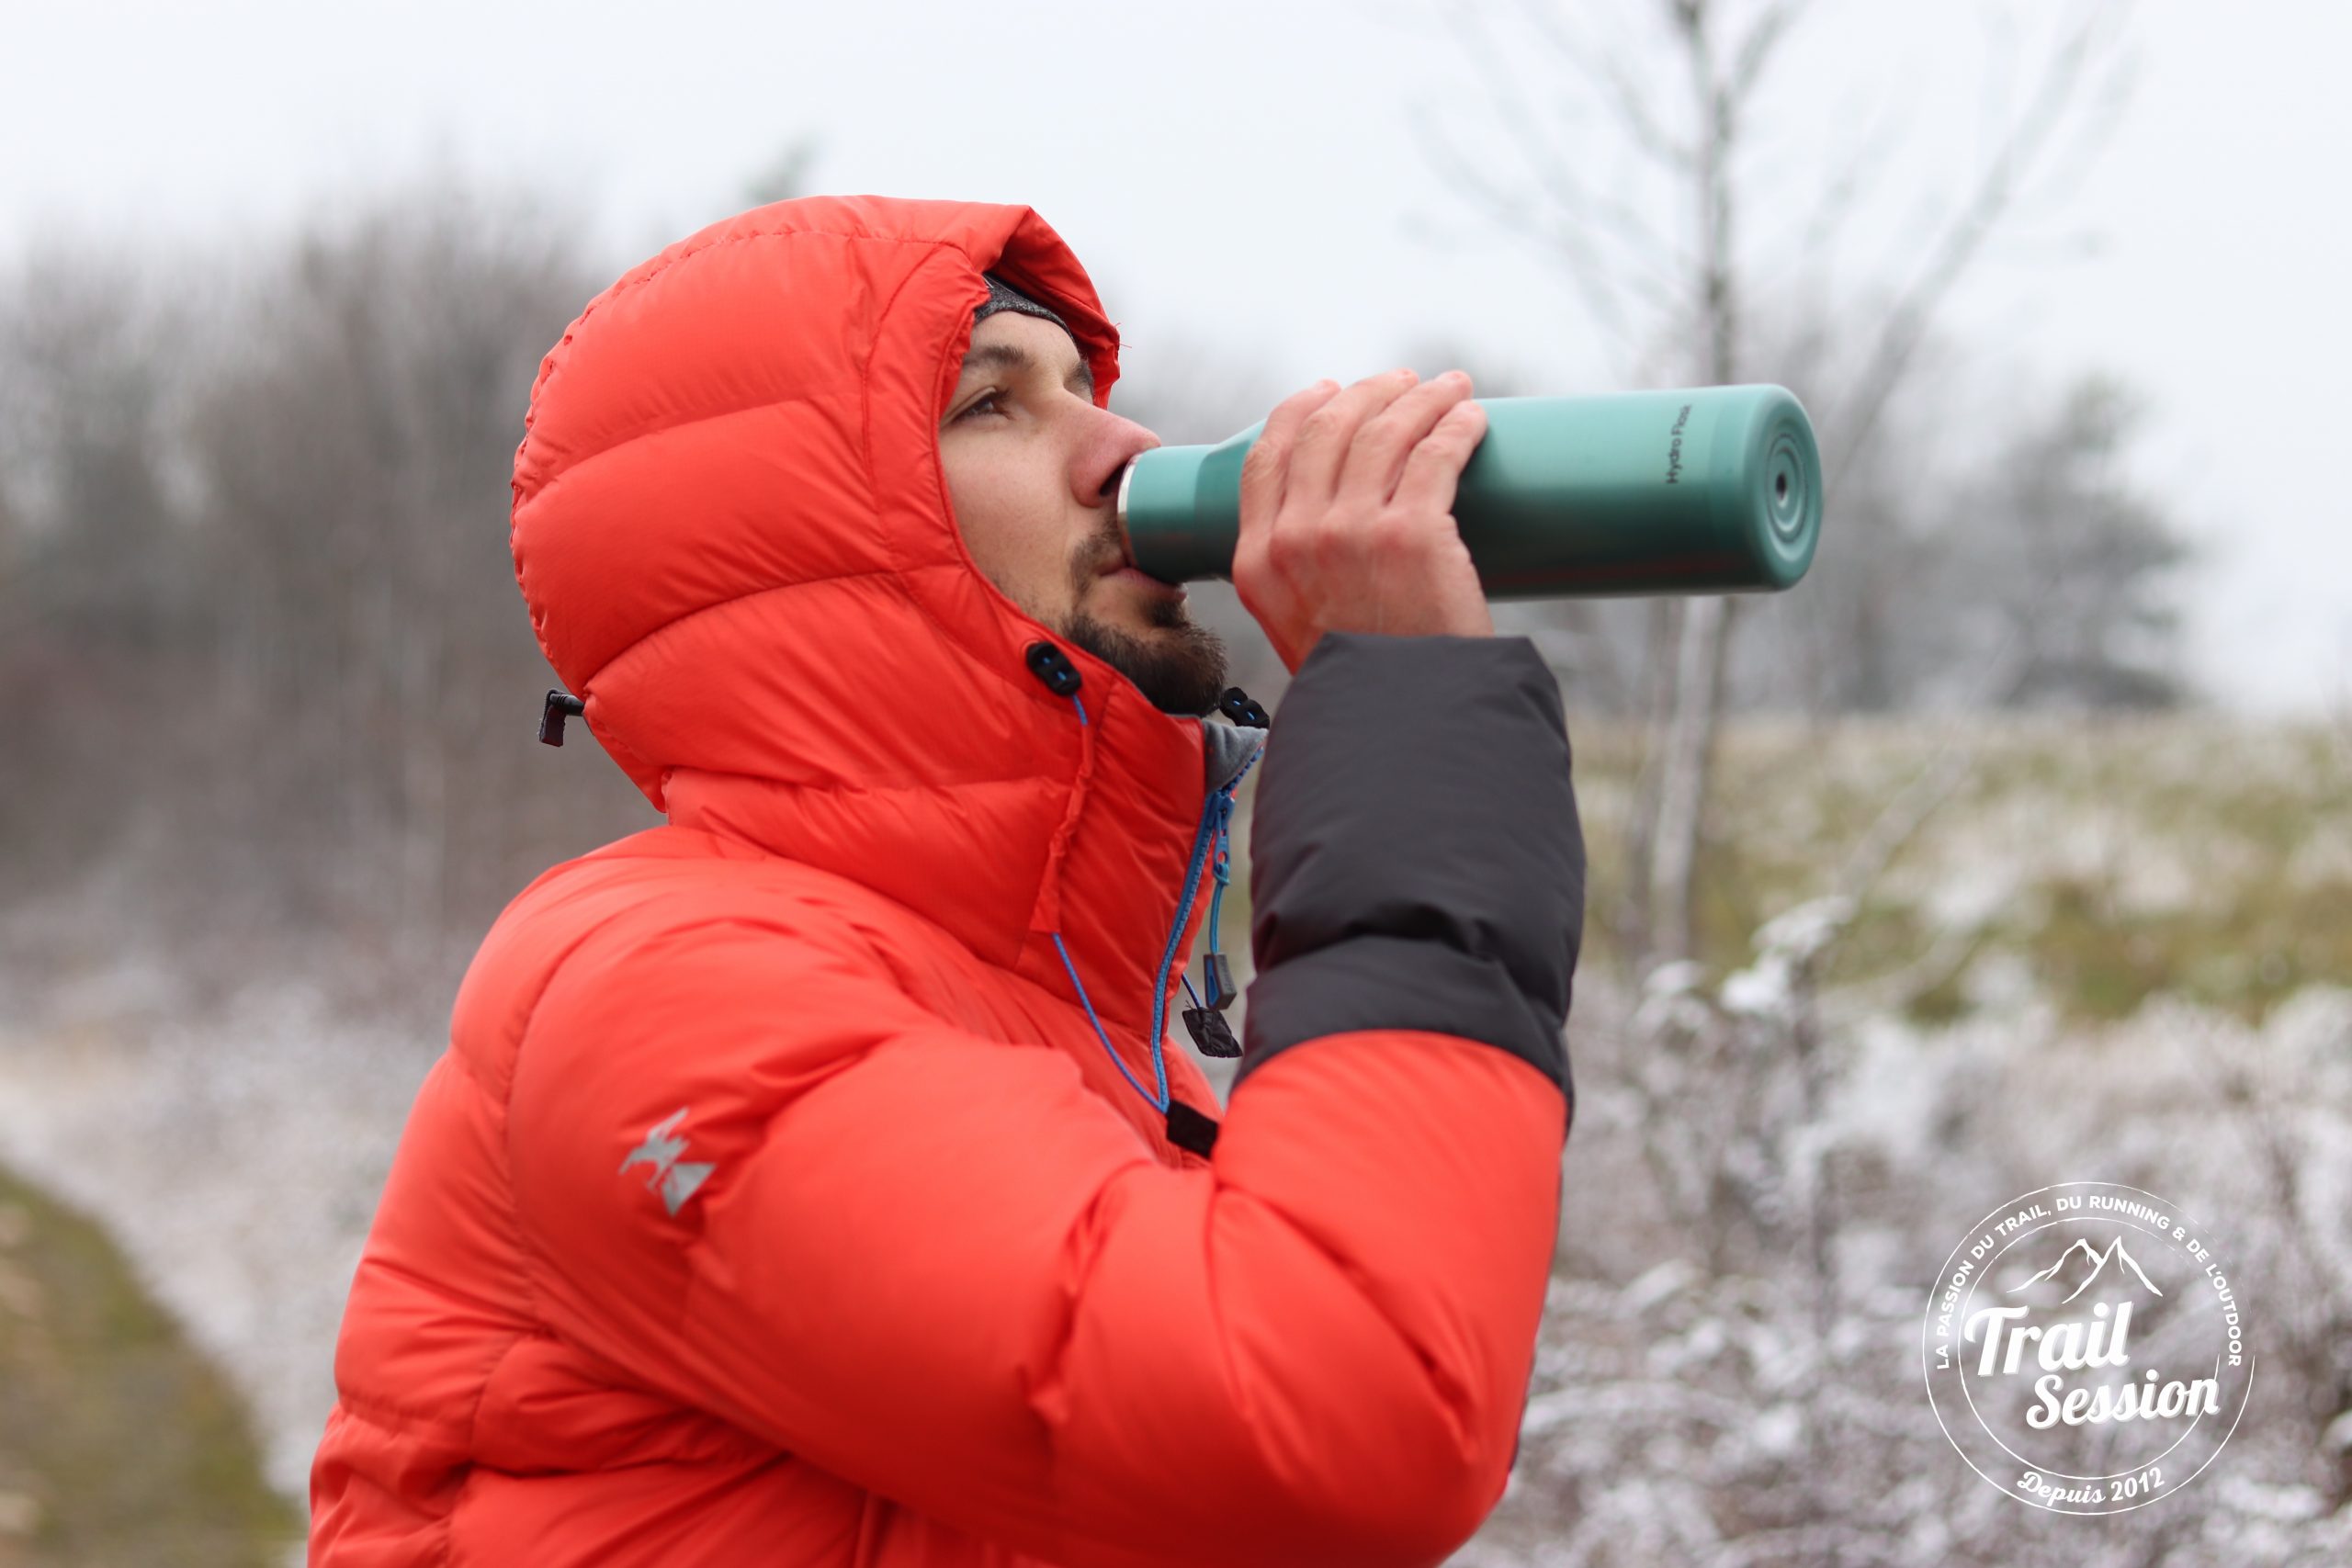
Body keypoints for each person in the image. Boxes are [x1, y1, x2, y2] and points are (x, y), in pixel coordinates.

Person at [309, 194, 1584, 1567]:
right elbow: (1341, 1419)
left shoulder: (1078, 1030)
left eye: (1090, 390)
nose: (1127, 449)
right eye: (994, 405)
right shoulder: (671, 996)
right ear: (814, 539)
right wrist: (1404, 717)